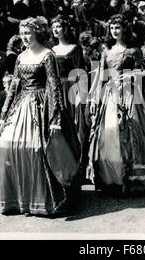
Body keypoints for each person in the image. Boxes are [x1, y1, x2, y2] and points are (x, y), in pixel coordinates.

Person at [0, 18, 81, 216]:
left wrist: (55, 118)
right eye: (22, 33)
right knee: (6, 145)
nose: (25, 37)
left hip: (41, 104)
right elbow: (14, 86)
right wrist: (4, 112)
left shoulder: (47, 55)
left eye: (28, 33)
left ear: (37, 33)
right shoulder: (20, 57)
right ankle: (19, 198)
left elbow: (53, 86)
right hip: (21, 105)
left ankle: (41, 199)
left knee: (36, 148)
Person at [86, 14, 145, 194]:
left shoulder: (133, 50)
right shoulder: (106, 51)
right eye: (112, 28)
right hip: (110, 96)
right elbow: (100, 76)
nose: (115, 31)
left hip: (130, 95)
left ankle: (133, 178)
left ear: (124, 29)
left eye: (118, 28)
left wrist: (131, 75)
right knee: (109, 134)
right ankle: (112, 178)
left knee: (133, 132)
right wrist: (93, 97)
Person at [51, 15, 89, 178]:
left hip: (72, 90)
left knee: (77, 130)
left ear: (65, 28)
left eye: (59, 26)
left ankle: (81, 168)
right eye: (54, 26)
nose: (56, 29)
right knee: (61, 129)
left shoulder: (75, 48)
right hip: (56, 91)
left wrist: (82, 94)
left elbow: (81, 72)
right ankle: (65, 169)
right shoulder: (50, 51)